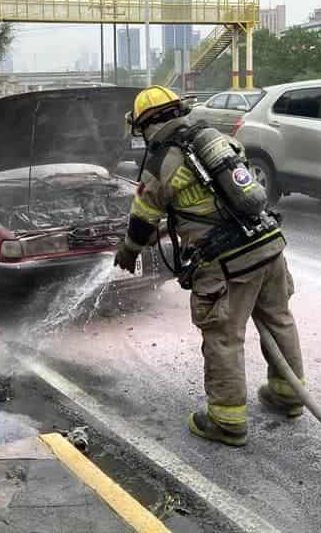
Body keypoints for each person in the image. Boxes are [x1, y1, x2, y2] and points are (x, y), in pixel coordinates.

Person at [113, 86, 306, 448]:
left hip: (226, 263)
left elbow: (144, 217)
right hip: (268, 245)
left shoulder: (163, 161)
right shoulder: (214, 139)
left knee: (223, 336)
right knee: (278, 318)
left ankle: (226, 419)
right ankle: (288, 395)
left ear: (145, 126)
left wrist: (128, 250)